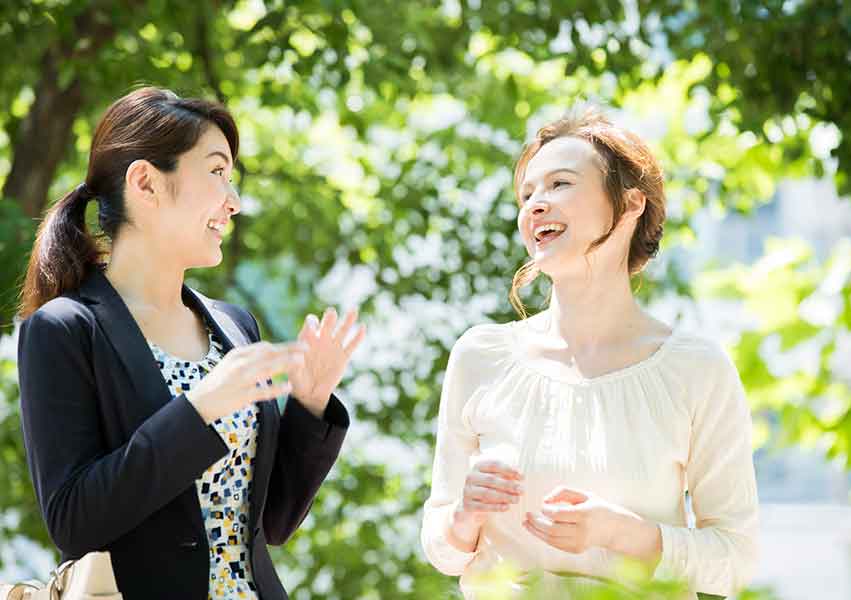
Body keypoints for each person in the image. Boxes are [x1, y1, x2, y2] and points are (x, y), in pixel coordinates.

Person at [17, 87, 365, 600]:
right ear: (146, 183)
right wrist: (198, 410)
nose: (235, 201)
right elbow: (75, 521)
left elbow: (268, 525)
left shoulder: (235, 325)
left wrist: (309, 405)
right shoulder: (64, 328)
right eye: (217, 172)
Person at [421, 108, 759, 599]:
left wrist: (623, 534)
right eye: (527, 194)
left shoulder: (696, 370)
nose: (535, 205)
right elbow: (443, 550)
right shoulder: (481, 355)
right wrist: (464, 514)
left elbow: (735, 558)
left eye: (560, 184)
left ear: (630, 205)